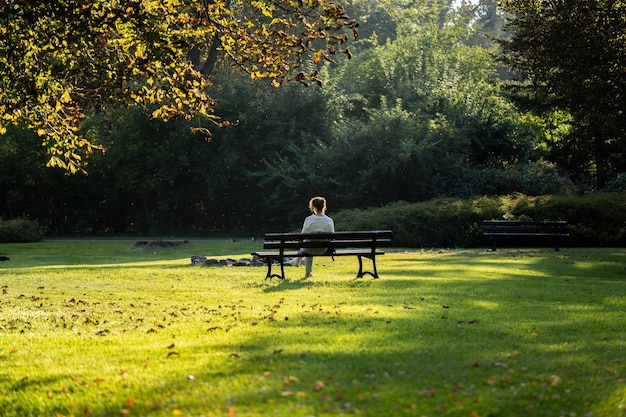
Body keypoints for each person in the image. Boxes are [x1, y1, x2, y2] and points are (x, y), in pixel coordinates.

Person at [298, 196, 334, 278]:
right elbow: (332, 236)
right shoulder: (329, 220)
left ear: (313, 207)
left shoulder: (308, 219)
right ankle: (305, 270)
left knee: (308, 244)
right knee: (309, 244)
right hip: (323, 249)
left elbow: (302, 235)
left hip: (308, 249)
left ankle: (303, 267)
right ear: (324, 207)